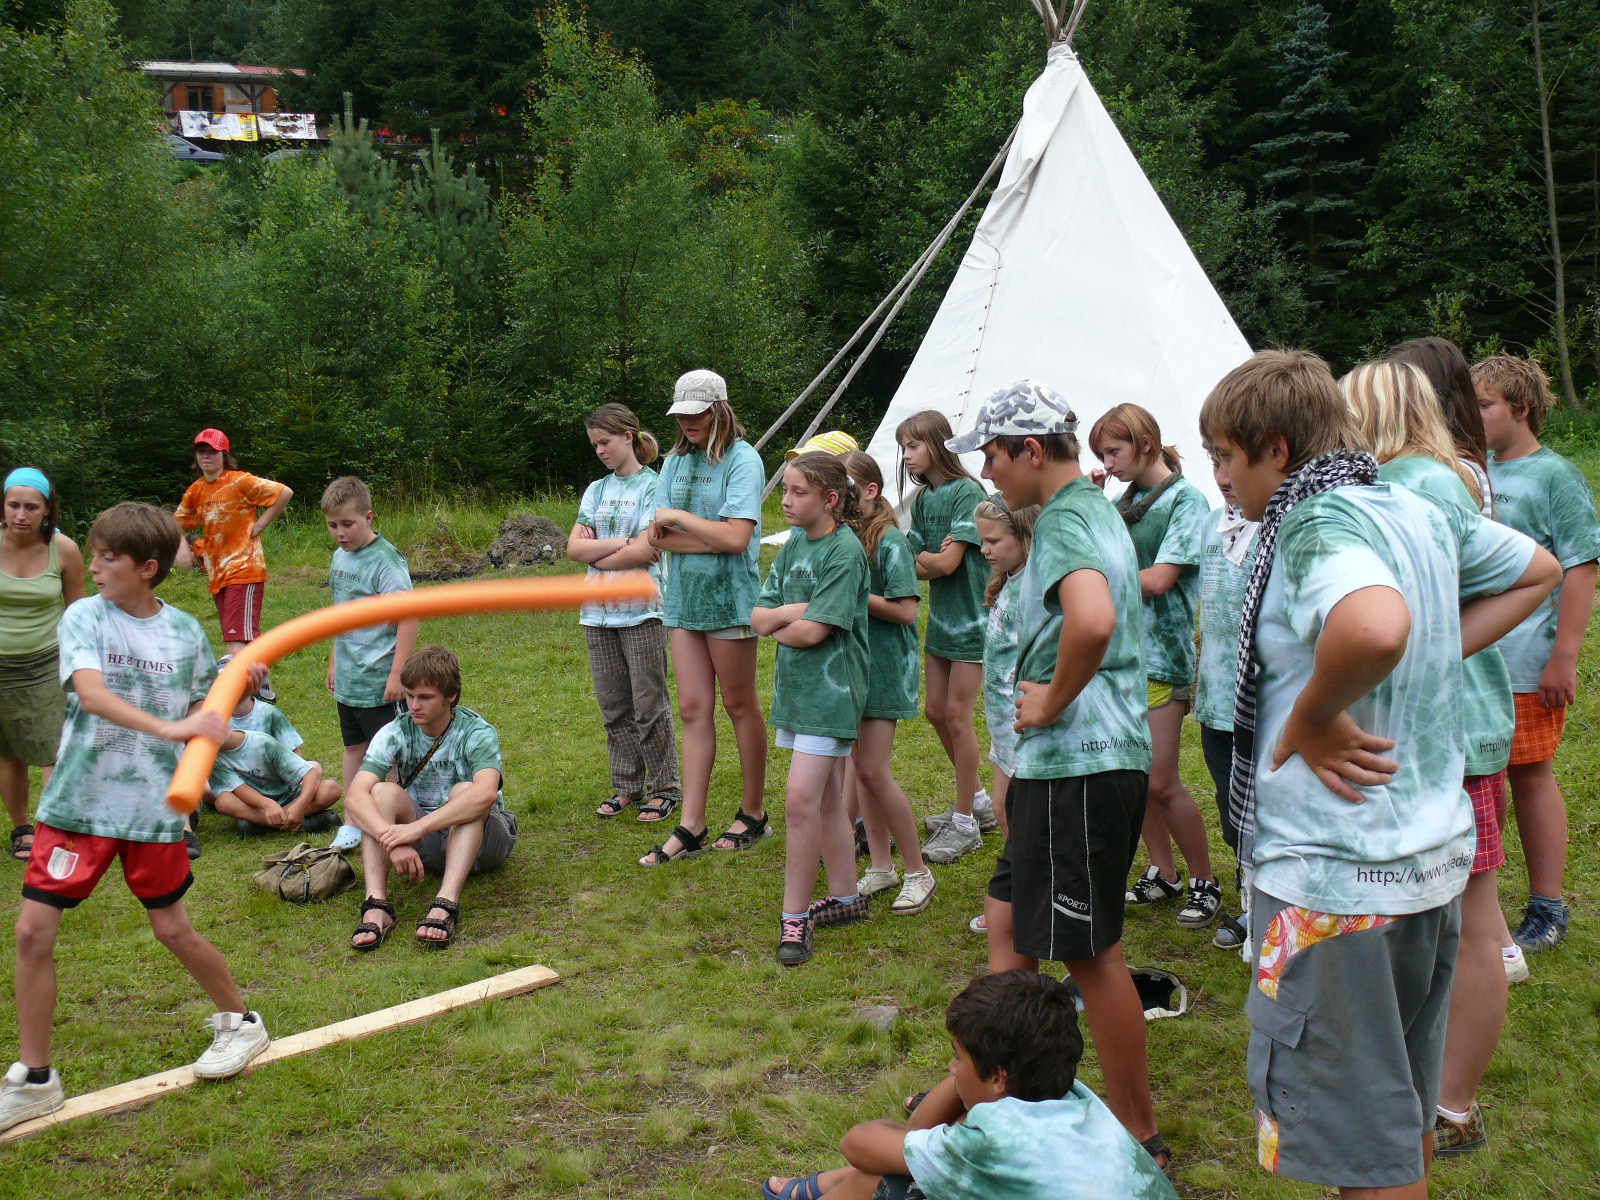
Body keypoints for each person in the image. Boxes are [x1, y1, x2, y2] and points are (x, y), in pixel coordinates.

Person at [1201, 349, 1556, 1198]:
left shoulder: (1314, 522)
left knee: (1364, 1155)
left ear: (1278, 449)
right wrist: (1436, 646)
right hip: (1424, 870)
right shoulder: (1411, 506)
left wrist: (1312, 712)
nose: (1219, 476)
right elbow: (1535, 572)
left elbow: (1372, 627)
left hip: (1335, 886)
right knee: (1396, 1123)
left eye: (1224, 455)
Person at [0, 503, 273, 1133]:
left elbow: (207, 710)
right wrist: (168, 727)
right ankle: (36, 1078)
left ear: (147, 568)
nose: (92, 566)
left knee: (172, 928)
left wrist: (242, 682)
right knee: (32, 933)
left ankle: (242, 1023)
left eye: (108, 557)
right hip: (79, 802)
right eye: (93, 554)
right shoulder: (84, 617)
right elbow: (91, 694)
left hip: (152, 807)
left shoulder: (184, 632)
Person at [947, 382, 1164, 1162]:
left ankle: (1139, 1134)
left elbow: (1094, 620)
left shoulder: (1069, 519)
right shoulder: (1090, 510)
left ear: (1031, 450)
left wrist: (1051, 700)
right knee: (1008, 921)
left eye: (993, 457)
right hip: (1065, 769)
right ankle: (990, 1103)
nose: (987, 472)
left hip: (1081, 765)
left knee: (1091, 955)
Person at [1339, 359, 1515, 1157]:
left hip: (1455, 734)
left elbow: (1521, 578)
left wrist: (1432, 652)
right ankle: (1432, 1089)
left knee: (1471, 924)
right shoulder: (1430, 478)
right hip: (1454, 726)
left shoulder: (1417, 485)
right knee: (1459, 920)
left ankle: (1454, 1103)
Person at [759, 970, 1176, 1200]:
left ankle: (829, 1189)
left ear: (998, 1077)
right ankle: (830, 1183)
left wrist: (965, 1075)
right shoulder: (1074, 1100)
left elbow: (859, 1142)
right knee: (927, 1152)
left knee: (891, 1184)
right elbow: (917, 1135)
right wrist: (972, 1067)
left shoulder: (994, 1143)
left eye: (958, 1057)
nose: (950, 1067)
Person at [1473, 354, 1600, 954]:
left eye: (1484, 405)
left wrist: (1563, 659)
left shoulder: (1556, 476)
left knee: (1528, 775)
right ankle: (1480, 901)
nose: (1473, 416)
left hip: (1528, 664)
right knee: (1484, 777)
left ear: (1521, 408)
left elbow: (1582, 567)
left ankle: (1548, 907)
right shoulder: (1472, 472)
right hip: (1478, 659)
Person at [1087, 404, 1220, 929]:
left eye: (1113, 451)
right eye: (1102, 454)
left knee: (1162, 782)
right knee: (1133, 779)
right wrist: (1092, 507)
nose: (1108, 462)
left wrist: (1089, 581)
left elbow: (1161, 579)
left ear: (1145, 443)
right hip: (1122, 657)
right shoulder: (1124, 501)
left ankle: (1205, 880)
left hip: (1164, 658)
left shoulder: (1187, 501)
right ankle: (1164, 873)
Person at [642, 370, 768, 863]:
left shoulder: (744, 460)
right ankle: (692, 824)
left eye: (697, 413)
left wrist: (683, 522)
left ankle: (754, 812)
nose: (688, 422)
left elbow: (738, 539)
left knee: (739, 704)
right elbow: (659, 538)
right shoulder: (674, 462)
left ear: (718, 410)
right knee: (693, 710)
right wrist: (708, 535)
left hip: (730, 599)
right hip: (684, 601)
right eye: (682, 414)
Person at [754, 453, 872, 965]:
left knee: (800, 801)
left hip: (833, 693)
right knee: (824, 798)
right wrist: (790, 612)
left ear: (830, 499)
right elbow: (759, 617)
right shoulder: (794, 544)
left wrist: (786, 622)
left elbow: (813, 633)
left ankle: (795, 917)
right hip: (798, 692)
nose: (785, 500)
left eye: (798, 492)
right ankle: (846, 898)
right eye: (785, 490)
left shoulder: (845, 551)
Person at [344, 645, 517, 951]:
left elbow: (486, 792)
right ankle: (376, 904)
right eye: (409, 696)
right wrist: (390, 838)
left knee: (466, 792)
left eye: (425, 697)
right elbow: (355, 796)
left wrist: (414, 830)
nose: (414, 706)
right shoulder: (395, 732)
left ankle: (445, 904)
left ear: (451, 696)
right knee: (380, 792)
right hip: (424, 839)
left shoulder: (476, 731)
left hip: (484, 841)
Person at [569, 403, 681, 823]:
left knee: (649, 704)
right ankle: (627, 786)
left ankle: (664, 788)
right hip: (596, 613)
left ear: (628, 437)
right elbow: (574, 549)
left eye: (606, 442)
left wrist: (599, 552)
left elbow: (646, 550)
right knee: (613, 706)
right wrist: (621, 545)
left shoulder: (654, 486)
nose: (600, 450)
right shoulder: (595, 490)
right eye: (595, 445)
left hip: (643, 610)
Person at [840, 452, 935, 917]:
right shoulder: (850, 538)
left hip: (886, 670)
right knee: (861, 771)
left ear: (870, 491)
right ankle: (881, 866)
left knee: (874, 771)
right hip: (855, 667)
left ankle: (918, 870)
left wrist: (857, 595)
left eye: (845, 491)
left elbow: (906, 611)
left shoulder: (891, 542)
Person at [898, 410, 992, 865]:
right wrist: (927, 558)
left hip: (973, 622)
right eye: (903, 447)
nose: (907, 455)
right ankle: (979, 802)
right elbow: (911, 561)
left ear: (937, 444)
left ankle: (965, 823)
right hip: (941, 621)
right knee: (936, 711)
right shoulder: (922, 499)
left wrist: (927, 558)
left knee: (957, 716)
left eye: (914, 445)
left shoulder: (968, 492)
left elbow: (946, 565)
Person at [322, 476, 417, 852]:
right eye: (333, 525)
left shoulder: (385, 560)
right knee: (354, 749)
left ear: (368, 517)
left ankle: (393, 822)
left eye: (348, 524)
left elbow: (409, 616)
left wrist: (397, 674)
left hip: (380, 680)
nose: (340, 533)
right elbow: (340, 614)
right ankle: (353, 820)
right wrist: (334, 661)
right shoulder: (339, 557)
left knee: (388, 756)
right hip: (350, 678)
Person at [1190, 450, 1259, 953]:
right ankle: (1248, 894)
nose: (1221, 477)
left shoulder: (1277, 523)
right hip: (1215, 697)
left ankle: (1265, 907)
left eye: (1230, 463)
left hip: (1259, 698)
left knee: (1264, 809)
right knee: (1229, 803)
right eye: (1214, 463)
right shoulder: (1212, 523)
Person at [1, 468, 85, 863]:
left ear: (47, 509)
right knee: (9, 754)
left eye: (31, 507)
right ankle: (22, 829)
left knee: (55, 748)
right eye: (13, 505)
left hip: (47, 661)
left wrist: (82, 665)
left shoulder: (63, 550)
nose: (21, 514)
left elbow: (77, 612)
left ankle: (51, 828)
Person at [972, 497, 1038, 943]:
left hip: (1024, 724)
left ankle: (1024, 900)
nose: (985, 549)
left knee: (1023, 816)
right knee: (1002, 808)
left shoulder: (1034, 588)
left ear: (1024, 537)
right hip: (1002, 724)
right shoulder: (1009, 582)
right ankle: (1023, 894)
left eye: (994, 541)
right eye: (983, 541)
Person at [174, 428, 293, 666]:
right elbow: (176, 523)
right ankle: (260, 682)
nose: (206, 456)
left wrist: (260, 524)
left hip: (244, 569)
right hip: (217, 574)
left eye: (212, 452)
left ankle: (240, 683)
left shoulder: (239, 481)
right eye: (201, 451)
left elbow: (284, 492)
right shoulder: (196, 490)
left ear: (224, 455)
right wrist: (180, 548)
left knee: (236, 642)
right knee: (243, 638)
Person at [210, 704, 342, 836]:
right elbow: (240, 789)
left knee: (331, 789)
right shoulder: (212, 758)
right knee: (224, 801)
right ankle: (302, 823)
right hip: (256, 804)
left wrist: (300, 805)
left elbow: (310, 773)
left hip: (290, 795)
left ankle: (261, 824)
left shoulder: (261, 742)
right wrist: (266, 804)